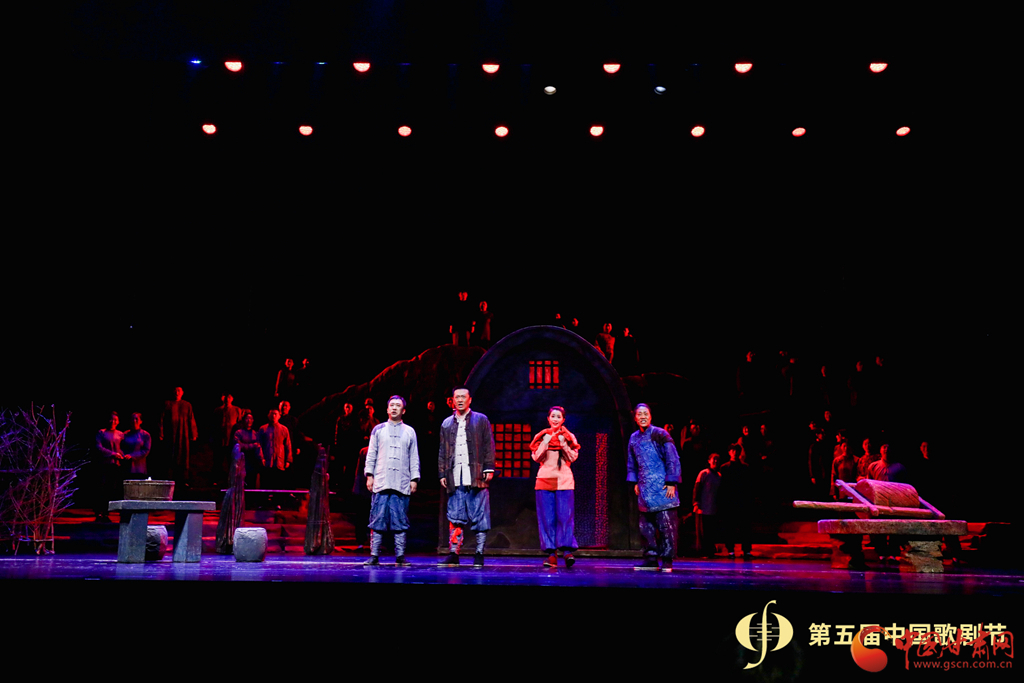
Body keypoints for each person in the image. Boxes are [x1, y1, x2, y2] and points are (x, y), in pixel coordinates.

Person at [439, 386, 495, 567]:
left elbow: (488, 444)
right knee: (455, 515)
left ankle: (479, 553)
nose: (460, 400)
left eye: (463, 397)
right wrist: (442, 472)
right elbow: (443, 450)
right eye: (457, 397)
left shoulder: (480, 420)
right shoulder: (447, 423)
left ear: (470, 400)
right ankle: (454, 553)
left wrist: (489, 467)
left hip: (476, 475)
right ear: (453, 400)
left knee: (480, 516)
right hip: (455, 476)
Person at [363, 396, 420, 566]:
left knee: (400, 521)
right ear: (387, 409)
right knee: (377, 519)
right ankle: (374, 555)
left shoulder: (409, 431)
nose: (394, 408)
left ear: (403, 410)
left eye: (398, 406)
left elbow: (414, 457)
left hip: (401, 483)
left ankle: (400, 556)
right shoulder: (378, 430)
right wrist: (369, 475)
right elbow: (371, 454)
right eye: (392, 405)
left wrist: (414, 478)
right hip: (382, 481)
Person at [626, 403, 681, 571]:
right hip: (645, 489)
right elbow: (632, 462)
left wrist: (671, 482)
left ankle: (667, 559)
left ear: (650, 416)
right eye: (639, 414)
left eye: (646, 414)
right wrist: (635, 481)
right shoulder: (633, 438)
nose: (643, 416)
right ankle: (650, 558)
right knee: (646, 527)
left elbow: (672, 458)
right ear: (635, 418)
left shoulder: (660, 434)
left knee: (666, 526)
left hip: (663, 487)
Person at [529, 406, 581, 567]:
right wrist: (546, 441)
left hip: (564, 481)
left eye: (559, 416)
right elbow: (536, 457)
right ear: (548, 418)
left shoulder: (568, 436)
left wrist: (563, 444)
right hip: (544, 480)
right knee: (547, 518)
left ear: (563, 420)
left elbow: (573, 457)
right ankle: (551, 554)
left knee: (565, 517)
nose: (555, 419)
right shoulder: (542, 436)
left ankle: (567, 551)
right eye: (553, 416)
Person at [159, 387, 198, 482]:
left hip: (183, 434)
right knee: (170, 454)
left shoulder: (187, 405)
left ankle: (183, 479)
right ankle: (169, 478)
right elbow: (161, 419)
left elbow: (191, 418)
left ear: (182, 393)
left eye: (179, 391)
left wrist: (193, 432)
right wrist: (161, 432)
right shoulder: (167, 404)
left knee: (183, 454)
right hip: (170, 434)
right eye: (176, 390)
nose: (177, 392)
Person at [94, 411, 126, 521]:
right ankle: (99, 512)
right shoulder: (101, 432)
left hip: (116, 466)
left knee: (111, 489)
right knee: (101, 488)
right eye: (111, 419)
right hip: (103, 464)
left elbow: (123, 448)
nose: (113, 421)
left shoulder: (121, 434)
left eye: (115, 420)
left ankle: (106, 512)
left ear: (118, 422)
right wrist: (113, 454)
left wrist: (123, 455)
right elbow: (98, 447)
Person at [692, 452, 722, 558]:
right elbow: (697, 488)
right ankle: (703, 551)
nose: (716, 461)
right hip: (703, 508)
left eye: (717, 459)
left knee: (711, 531)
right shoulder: (704, 473)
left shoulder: (719, 476)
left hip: (713, 508)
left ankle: (710, 551)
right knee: (702, 531)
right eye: (714, 459)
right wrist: (696, 503)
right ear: (709, 461)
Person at [258, 408, 292, 491]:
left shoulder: (284, 429)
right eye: (272, 414)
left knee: (278, 485)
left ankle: (278, 499)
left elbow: (288, 445)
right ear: (268, 416)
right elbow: (259, 445)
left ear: (279, 416)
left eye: (275, 414)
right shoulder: (263, 429)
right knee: (266, 484)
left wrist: (288, 460)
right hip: (267, 460)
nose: (273, 416)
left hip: (279, 461)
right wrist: (261, 458)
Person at [233, 411, 263, 488]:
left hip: (253, 461)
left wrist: (261, 459)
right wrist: (252, 445)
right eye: (247, 418)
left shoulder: (255, 433)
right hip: (241, 460)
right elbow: (238, 445)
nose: (249, 420)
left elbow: (258, 446)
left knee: (252, 482)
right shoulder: (238, 432)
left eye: (250, 418)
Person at [122, 412, 152, 478]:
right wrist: (124, 455)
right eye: (132, 419)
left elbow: (146, 450)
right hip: (127, 467)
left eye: (136, 419)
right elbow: (121, 447)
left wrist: (132, 455)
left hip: (139, 468)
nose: (134, 421)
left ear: (141, 421)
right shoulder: (125, 434)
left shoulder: (145, 435)